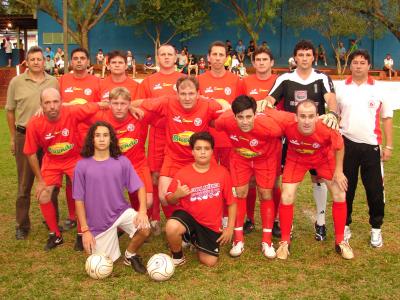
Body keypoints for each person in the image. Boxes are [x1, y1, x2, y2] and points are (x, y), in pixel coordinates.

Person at [263, 40, 338, 242]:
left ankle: (320, 222)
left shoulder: (322, 77)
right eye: (301, 55)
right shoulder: (285, 78)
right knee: (284, 180)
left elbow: (331, 99)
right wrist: (279, 116)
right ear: (294, 58)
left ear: (314, 57)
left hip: (317, 140)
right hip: (291, 140)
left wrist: (332, 113)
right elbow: (268, 102)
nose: (304, 58)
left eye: (308, 55)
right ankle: (283, 221)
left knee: (318, 179)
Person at [23, 88, 104, 250]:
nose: (52, 106)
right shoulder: (34, 123)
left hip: (74, 159)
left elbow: (100, 105)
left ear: (61, 102)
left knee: (82, 192)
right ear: (41, 105)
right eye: (47, 103)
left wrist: (128, 107)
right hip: (51, 161)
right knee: (43, 195)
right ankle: (55, 235)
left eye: (55, 102)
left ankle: (82, 233)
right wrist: (40, 181)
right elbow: (31, 153)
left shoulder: (72, 111)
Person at [133, 76, 227, 215]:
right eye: (183, 94)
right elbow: (139, 103)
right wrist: (129, 105)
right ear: (177, 94)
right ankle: (177, 220)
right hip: (174, 158)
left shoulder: (207, 104)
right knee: (164, 197)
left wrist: (225, 105)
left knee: (211, 193)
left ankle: (211, 220)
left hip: (200, 158)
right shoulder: (167, 101)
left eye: (191, 94)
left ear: (198, 93)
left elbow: (227, 107)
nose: (187, 98)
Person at [275, 100, 354, 260]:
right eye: (302, 116)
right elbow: (265, 110)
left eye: (311, 116)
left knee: (340, 194)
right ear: (295, 117)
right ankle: (284, 241)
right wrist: (263, 103)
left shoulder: (326, 127)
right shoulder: (286, 121)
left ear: (317, 117)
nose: (306, 120)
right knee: (286, 196)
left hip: (323, 159)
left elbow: (339, 146)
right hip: (296, 159)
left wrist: (339, 171)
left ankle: (340, 241)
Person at [215, 96, 290, 258]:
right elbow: (214, 120)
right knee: (240, 193)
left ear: (255, 114)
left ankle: (267, 241)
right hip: (240, 158)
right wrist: (220, 102)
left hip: (266, 159)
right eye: (240, 117)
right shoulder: (225, 120)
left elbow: (292, 121)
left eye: (249, 116)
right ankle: (238, 240)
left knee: (266, 194)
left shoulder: (271, 127)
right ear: (233, 116)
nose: (245, 121)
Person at [73, 121, 150, 273]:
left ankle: (130, 254)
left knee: (145, 228)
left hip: (120, 212)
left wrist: (142, 211)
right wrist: (85, 231)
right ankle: (110, 237)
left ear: (111, 139)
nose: (102, 139)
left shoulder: (122, 161)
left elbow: (140, 187)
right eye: (97, 135)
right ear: (92, 139)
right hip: (98, 223)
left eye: (105, 135)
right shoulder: (82, 166)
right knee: (102, 264)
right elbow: (79, 200)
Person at [335, 49, 393, 248]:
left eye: (362, 62)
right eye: (355, 62)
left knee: (375, 190)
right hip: (346, 145)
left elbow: (386, 118)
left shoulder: (379, 89)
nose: (358, 65)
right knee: (345, 189)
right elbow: (334, 117)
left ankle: (376, 229)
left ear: (369, 66)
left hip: (371, 147)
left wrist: (389, 146)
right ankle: (345, 225)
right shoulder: (341, 88)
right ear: (350, 65)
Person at [6, 46, 59, 240]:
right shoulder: (16, 82)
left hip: (48, 137)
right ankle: (22, 224)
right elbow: (10, 111)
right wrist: (13, 137)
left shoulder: (53, 81)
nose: (36, 62)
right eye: (33, 59)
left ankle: (51, 219)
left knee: (50, 180)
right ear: (26, 62)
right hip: (24, 135)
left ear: (45, 61)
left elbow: (59, 107)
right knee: (24, 183)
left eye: (39, 59)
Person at [165, 132, 236, 267]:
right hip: (189, 217)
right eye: (198, 149)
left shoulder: (222, 173)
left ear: (212, 152)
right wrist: (177, 195)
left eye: (206, 148)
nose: (202, 152)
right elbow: (169, 200)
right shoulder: (183, 173)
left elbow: (232, 203)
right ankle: (177, 257)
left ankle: (193, 240)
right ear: (192, 152)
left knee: (209, 261)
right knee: (171, 227)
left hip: (210, 224)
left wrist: (229, 228)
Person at [137, 44, 184, 235]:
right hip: (157, 134)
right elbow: (139, 108)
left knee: (180, 176)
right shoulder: (148, 82)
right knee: (155, 177)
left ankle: (179, 216)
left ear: (176, 58)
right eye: (162, 54)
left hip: (179, 135)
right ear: (158, 58)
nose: (166, 57)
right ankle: (155, 218)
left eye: (169, 54)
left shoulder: (185, 79)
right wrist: (154, 119)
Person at [198, 40, 243, 228]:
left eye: (221, 55)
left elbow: (240, 110)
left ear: (226, 58)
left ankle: (226, 216)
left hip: (229, 140)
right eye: (214, 54)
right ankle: (205, 215)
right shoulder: (199, 80)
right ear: (208, 57)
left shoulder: (236, 81)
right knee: (206, 179)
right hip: (206, 140)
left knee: (228, 179)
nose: (217, 58)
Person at [58, 47, 101, 241]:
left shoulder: (96, 82)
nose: (78, 61)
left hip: (90, 137)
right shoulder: (62, 81)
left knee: (91, 178)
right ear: (70, 61)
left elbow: (101, 108)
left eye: (82, 58)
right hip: (68, 137)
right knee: (71, 178)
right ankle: (72, 215)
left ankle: (92, 213)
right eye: (75, 58)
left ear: (88, 61)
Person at [90, 87, 153, 215]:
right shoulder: (100, 117)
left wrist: (133, 108)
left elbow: (162, 108)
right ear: (109, 104)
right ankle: (119, 220)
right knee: (104, 201)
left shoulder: (139, 115)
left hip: (137, 164)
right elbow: (73, 112)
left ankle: (138, 218)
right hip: (112, 166)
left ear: (129, 104)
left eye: (123, 104)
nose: (119, 107)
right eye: (115, 103)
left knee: (147, 201)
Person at [239, 47, 281, 236]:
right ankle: (249, 218)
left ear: (272, 62)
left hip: (273, 139)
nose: (261, 62)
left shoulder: (279, 81)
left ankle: (276, 219)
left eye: (265, 59)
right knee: (251, 182)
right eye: (258, 60)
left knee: (274, 183)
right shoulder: (245, 82)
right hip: (250, 139)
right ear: (253, 63)